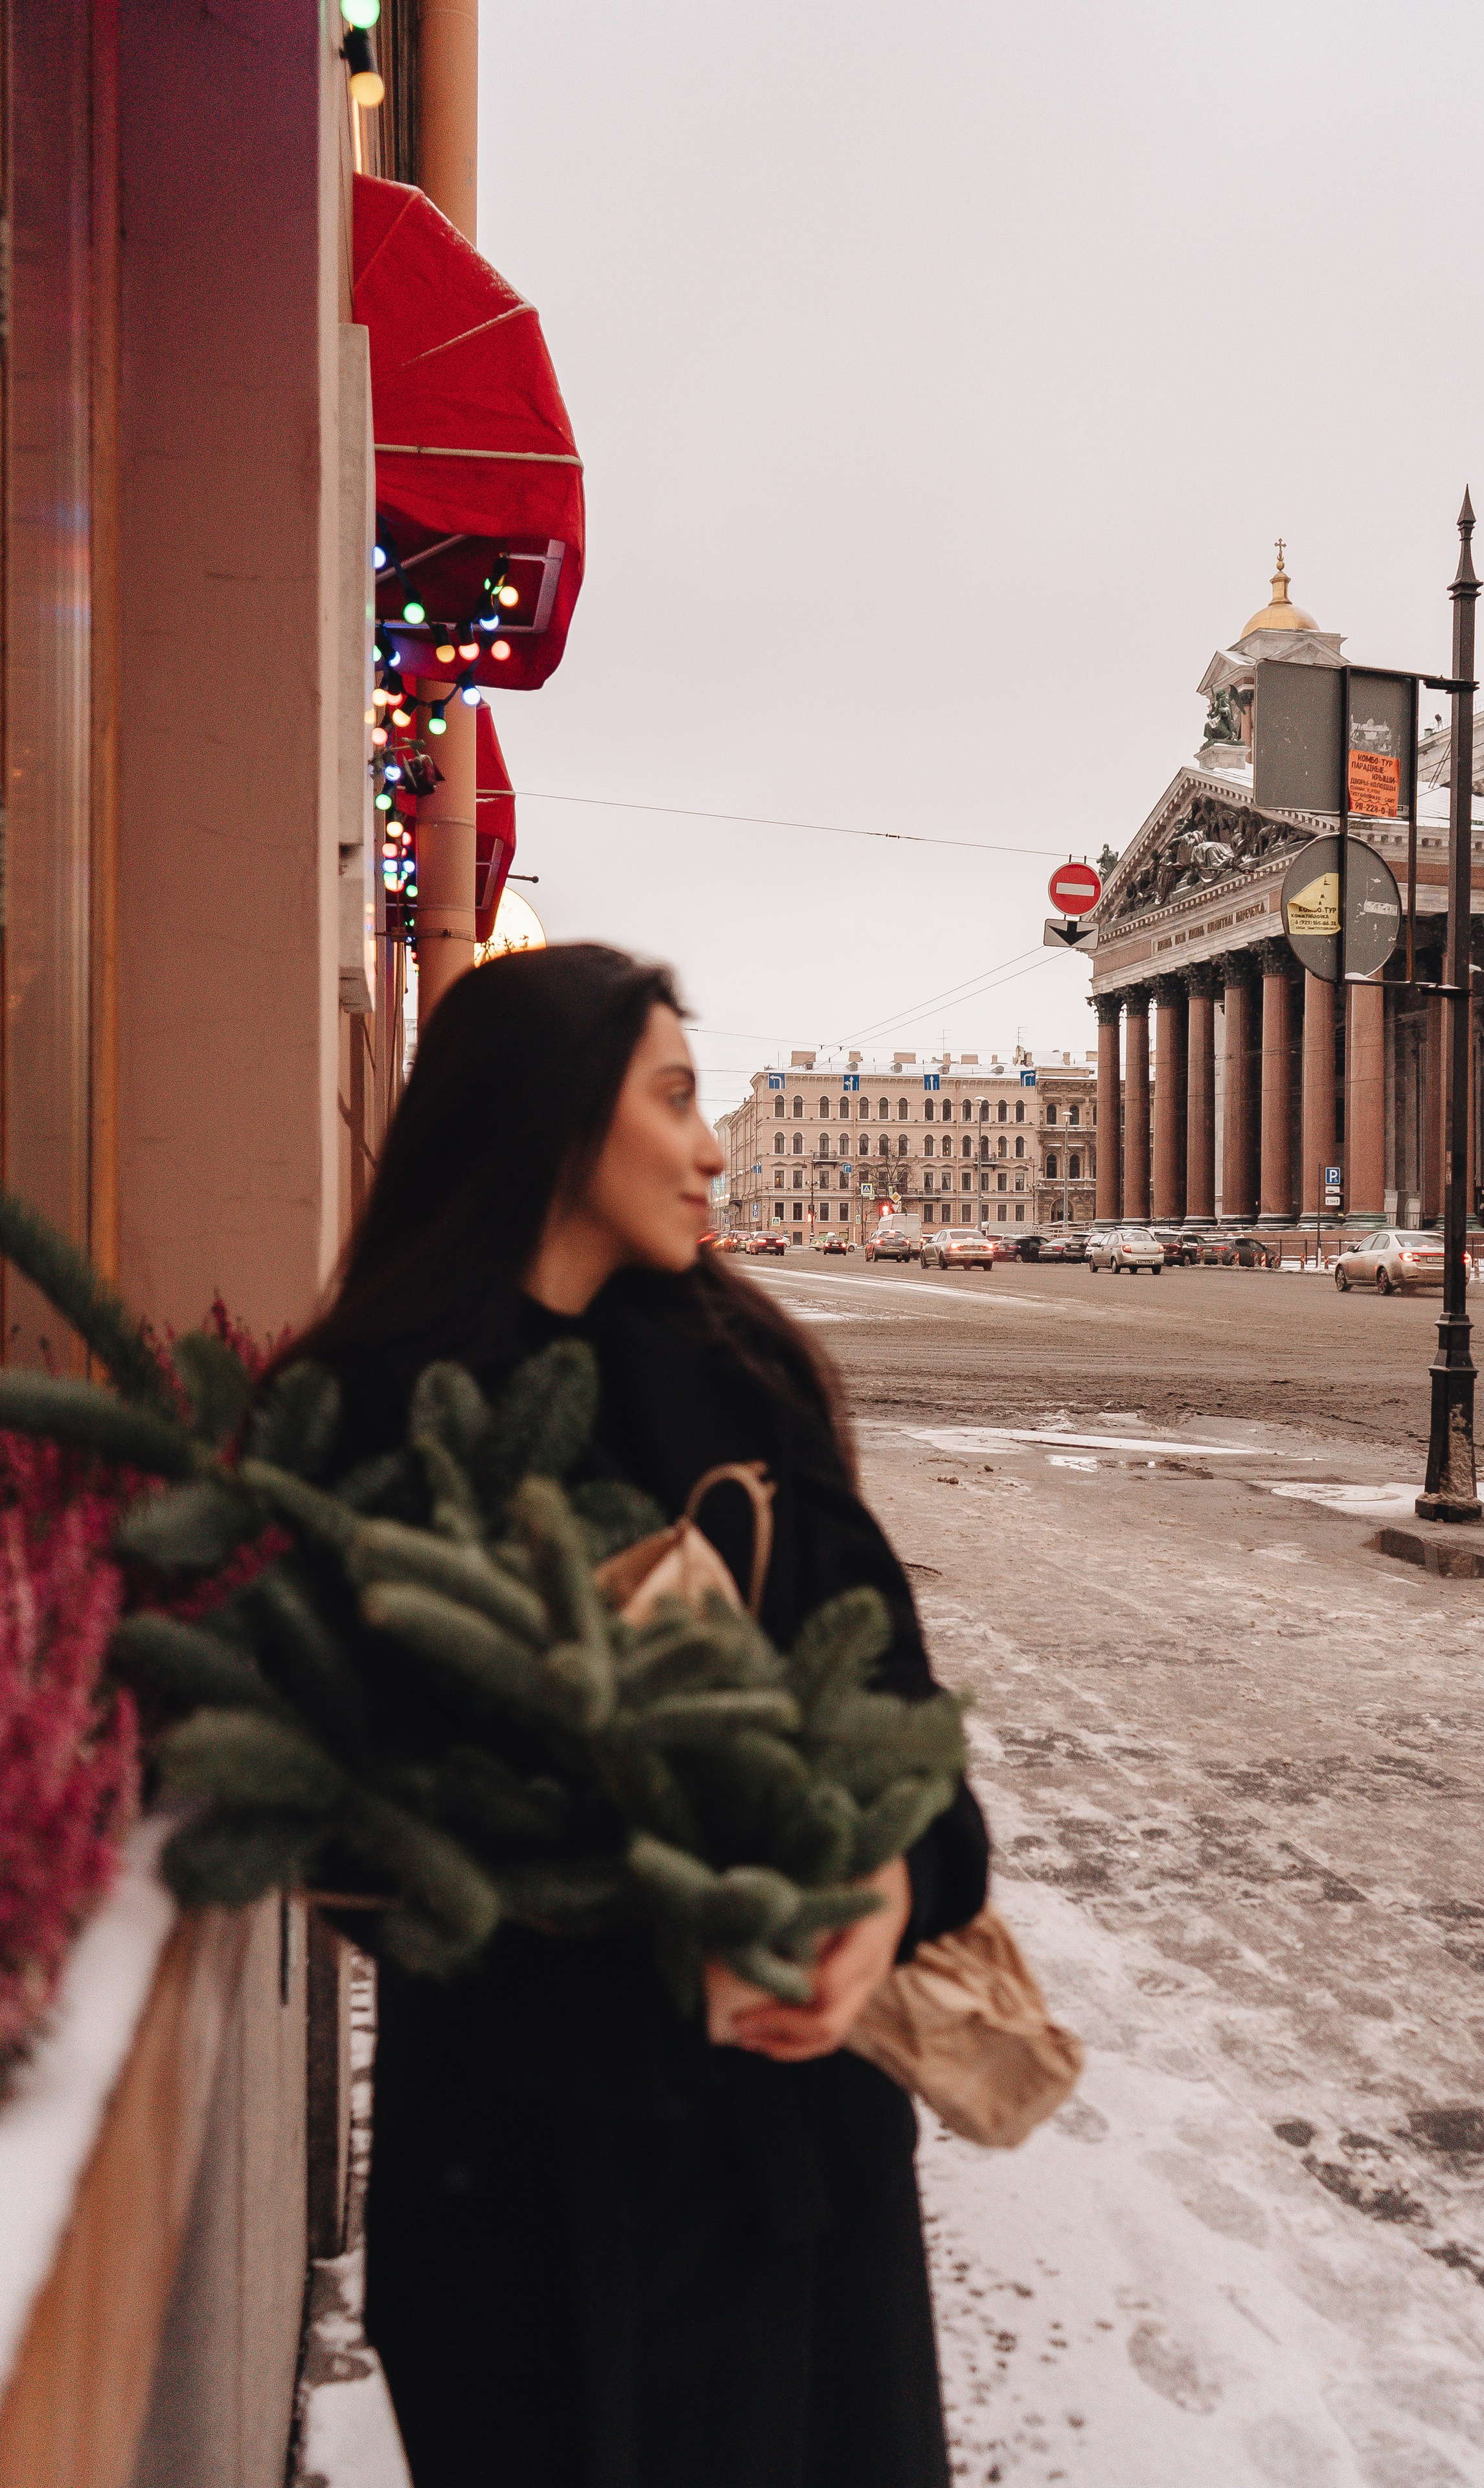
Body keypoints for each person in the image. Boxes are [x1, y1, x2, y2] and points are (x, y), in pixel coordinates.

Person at [281, 943, 988, 2488]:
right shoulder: (364, 1418)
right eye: (674, 1098)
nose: (715, 1145)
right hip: (525, 2194)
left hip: (793, 2175)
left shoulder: (741, 1382)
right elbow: (340, 1817)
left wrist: (881, 1897)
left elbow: (907, 1735)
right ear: (550, 1121)